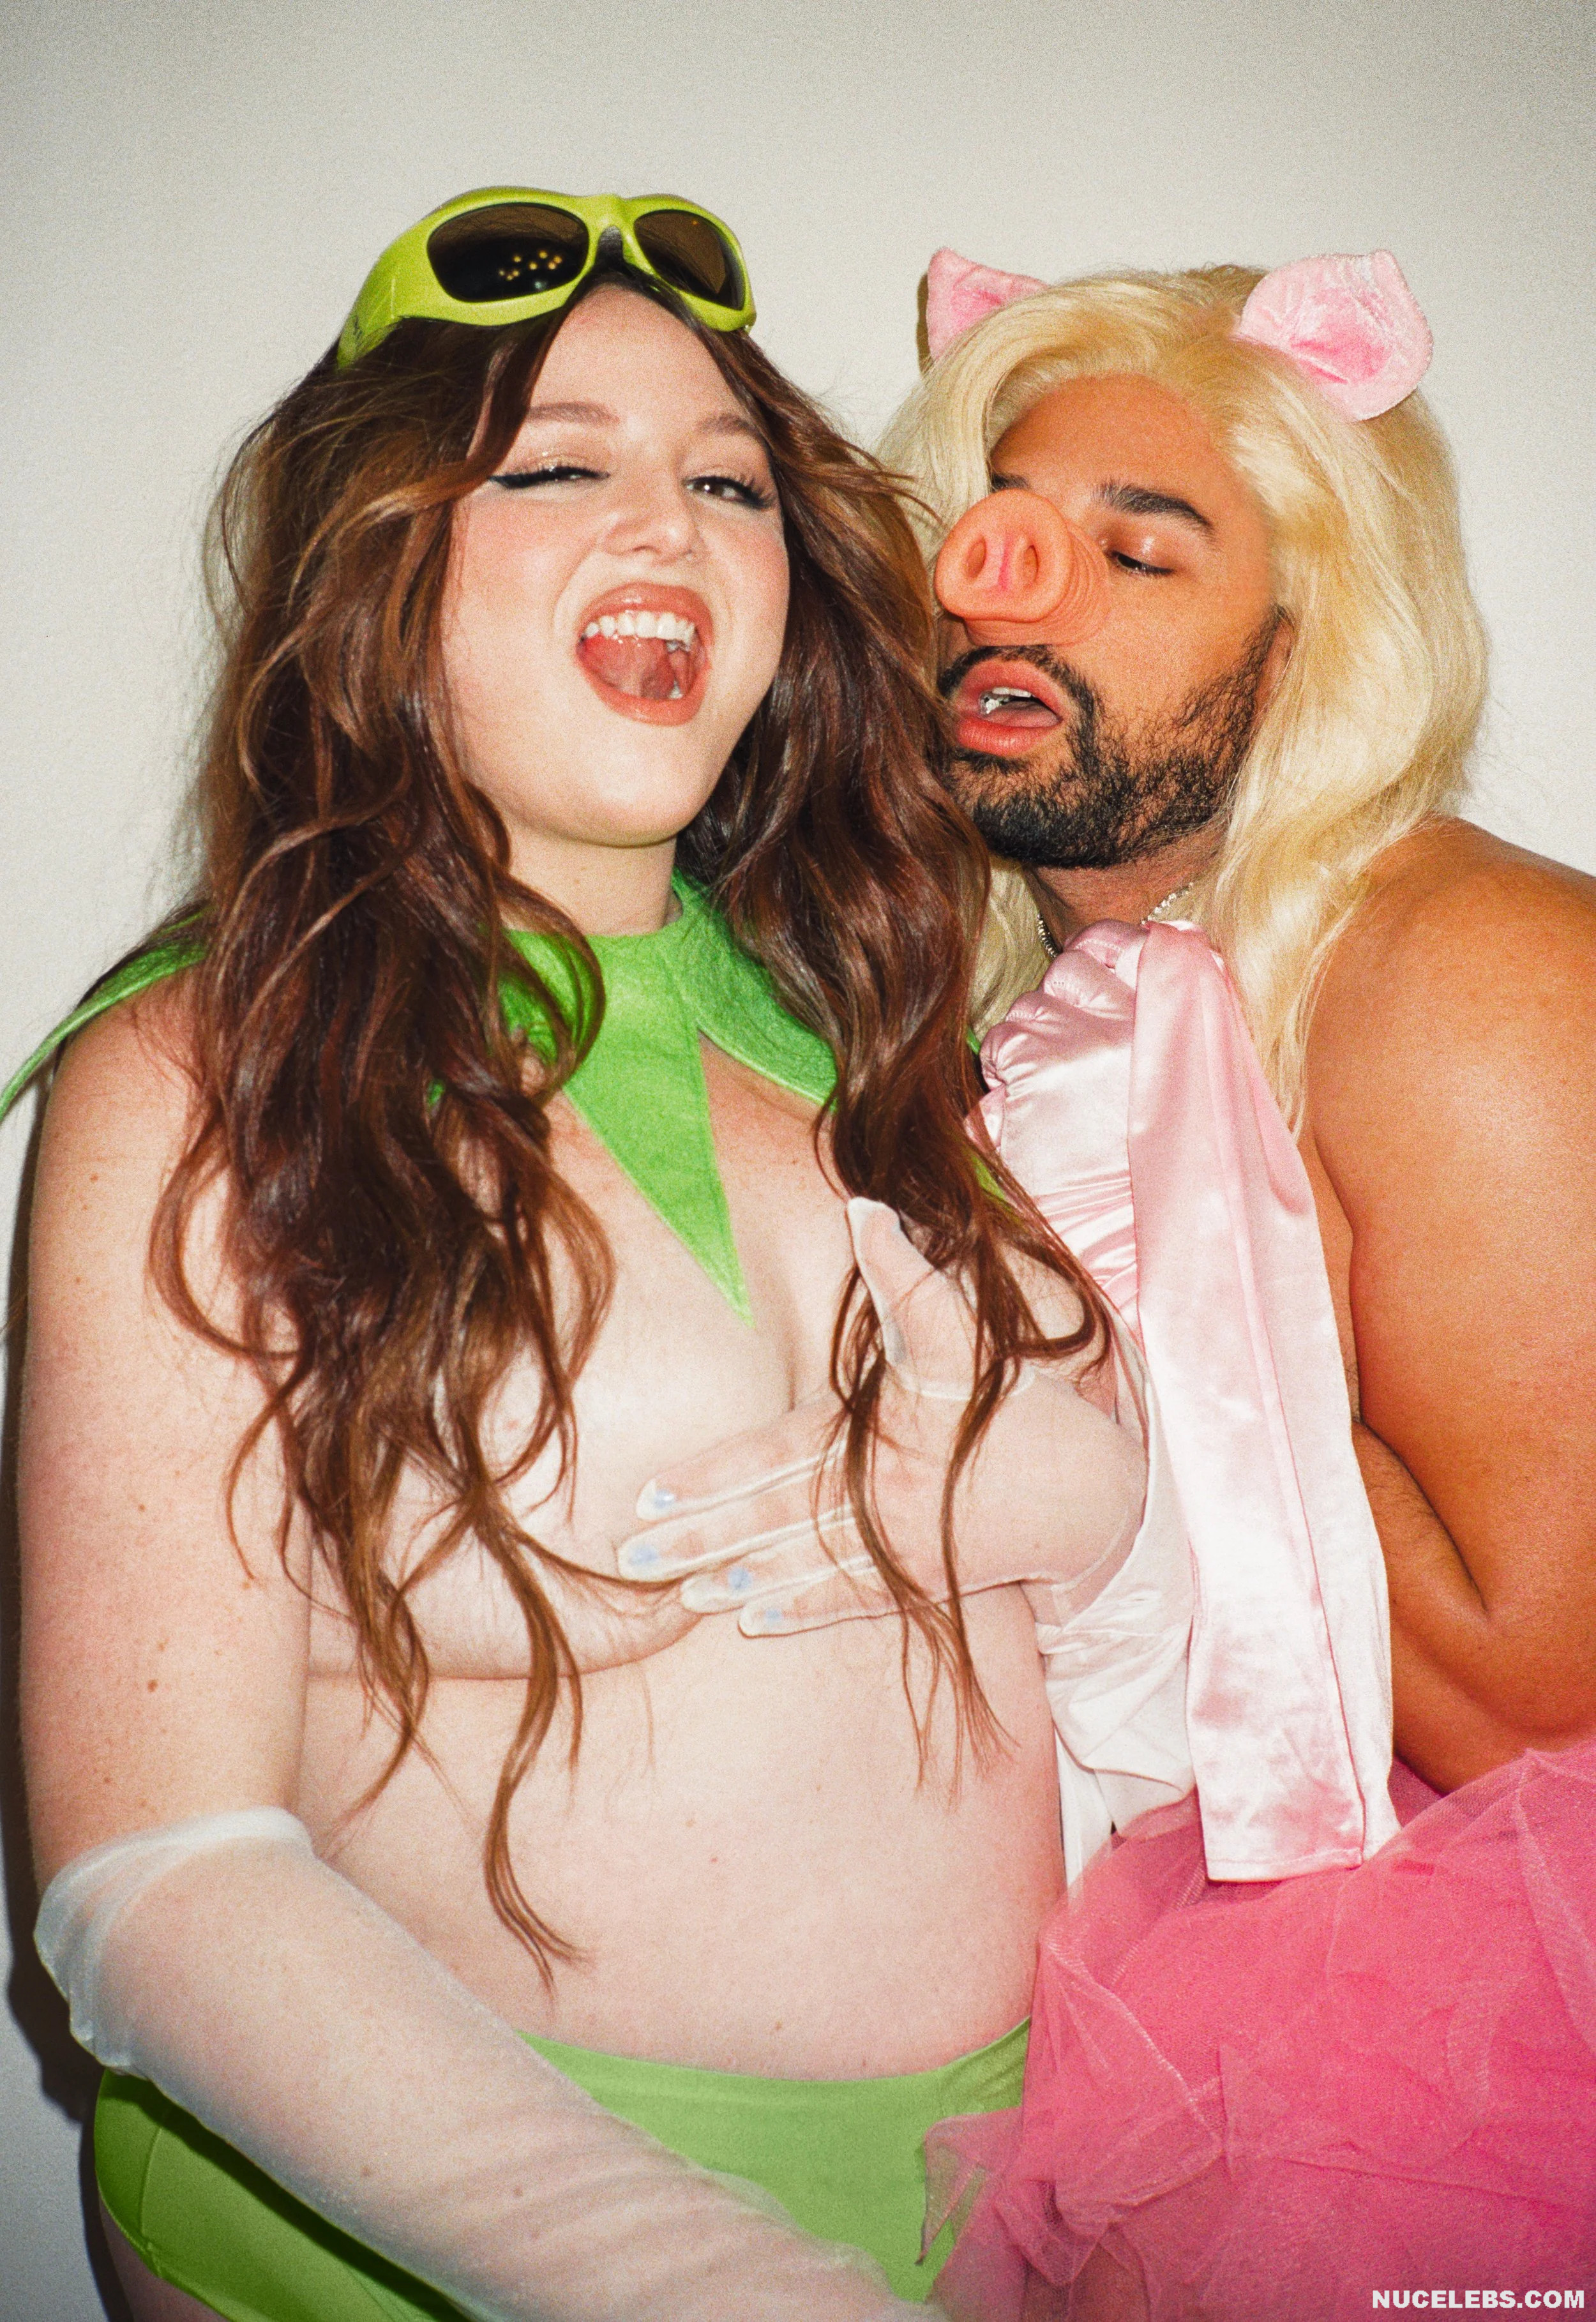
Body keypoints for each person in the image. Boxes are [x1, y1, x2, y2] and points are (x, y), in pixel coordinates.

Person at [15, 188, 1159, 2322]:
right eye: (554, 467)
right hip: (419, 2255)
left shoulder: (895, 1027)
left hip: (1014, 2199)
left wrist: (1082, 1502)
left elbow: (1151, 1633)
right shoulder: (203, 1072)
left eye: (729, 482)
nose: (671, 526)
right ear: (375, 560)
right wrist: (723, 2291)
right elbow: (148, 1876)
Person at [873, 249, 1596, 2310]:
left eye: (1139, 553)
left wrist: (1182, 1286)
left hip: (1449, 2023)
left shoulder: (1468, 971)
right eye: (995, 538)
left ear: (1300, 643)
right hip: (1107, 1953)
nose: (1020, 604)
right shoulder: (1023, 1010)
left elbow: (1540, 1700)